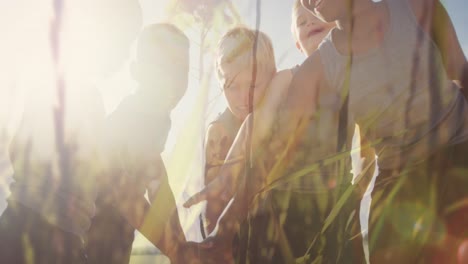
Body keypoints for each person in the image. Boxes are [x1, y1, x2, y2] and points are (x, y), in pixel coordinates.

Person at [293, 0, 468, 263]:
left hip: (458, 151)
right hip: (398, 179)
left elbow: (461, 70)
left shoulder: (417, 7)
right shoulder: (320, 68)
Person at [0, 0, 142, 263]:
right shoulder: (76, 92)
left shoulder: (56, 85)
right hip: (46, 235)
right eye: (123, 40)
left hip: (27, 229)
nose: (125, 54)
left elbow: (18, 150)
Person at [86, 23, 191, 263]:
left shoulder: (157, 119)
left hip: (115, 243)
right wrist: (176, 250)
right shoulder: (129, 118)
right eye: (164, 66)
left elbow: (159, 184)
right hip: (84, 239)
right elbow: (126, 196)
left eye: (183, 70)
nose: (174, 79)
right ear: (137, 71)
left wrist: (182, 242)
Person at [201, 26, 276, 238]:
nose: (244, 98)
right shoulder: (219, 133)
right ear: (220, 83)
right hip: (236, 242)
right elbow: (213, 209)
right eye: (232, 87)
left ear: (272, 77)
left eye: (253, 86)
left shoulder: (279, 116)